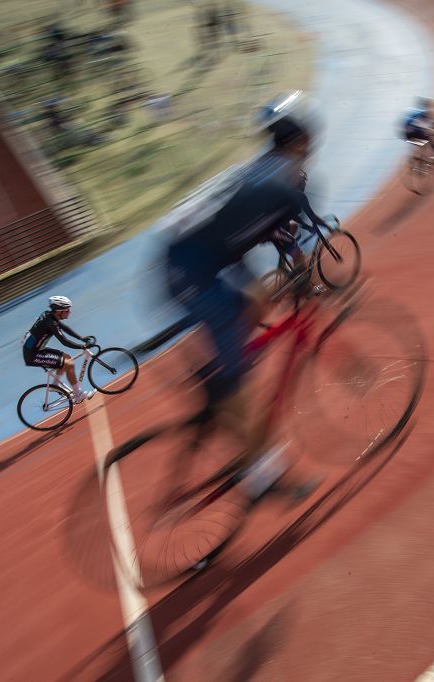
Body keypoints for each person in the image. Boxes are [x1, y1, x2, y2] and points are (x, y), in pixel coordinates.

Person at [165, 90, 328, 501]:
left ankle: (222, 374)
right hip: (192, 267)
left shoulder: (262, 169)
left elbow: (265, 237)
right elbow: (290, 245)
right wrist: (305, 286)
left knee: (256, 299)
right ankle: (262, 479)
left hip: (198, 258)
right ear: (300, 143)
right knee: (240, 382)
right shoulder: (285, 181)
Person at [23, 295, 96, 403]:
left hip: (36, 350)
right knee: (69, 364)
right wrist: (82, 346)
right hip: (32, 356)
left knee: (67, 358)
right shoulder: (51, 323)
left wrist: (81, 338)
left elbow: (64, 328)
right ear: (59, 311)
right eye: (67, 310)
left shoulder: (49, 315)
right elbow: (64, 341)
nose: (69, 312)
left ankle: (55, 385)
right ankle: (78, 394)